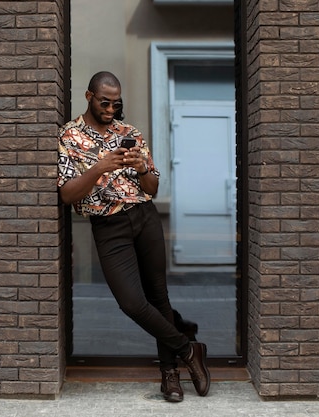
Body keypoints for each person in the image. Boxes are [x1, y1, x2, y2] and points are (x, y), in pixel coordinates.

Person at [57, 71, 210, 403]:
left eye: (116, 103)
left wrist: (141, 167)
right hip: (108, 226)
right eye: (105, 102)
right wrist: (101, 166)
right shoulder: (70, 135)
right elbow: (68, 195)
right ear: (89, 97)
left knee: (159, 298)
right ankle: (189, 350)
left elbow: (153, 189)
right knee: (131, 302)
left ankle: (170, 376)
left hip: (144, 218)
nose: (111, 109)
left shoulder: (130, 133)